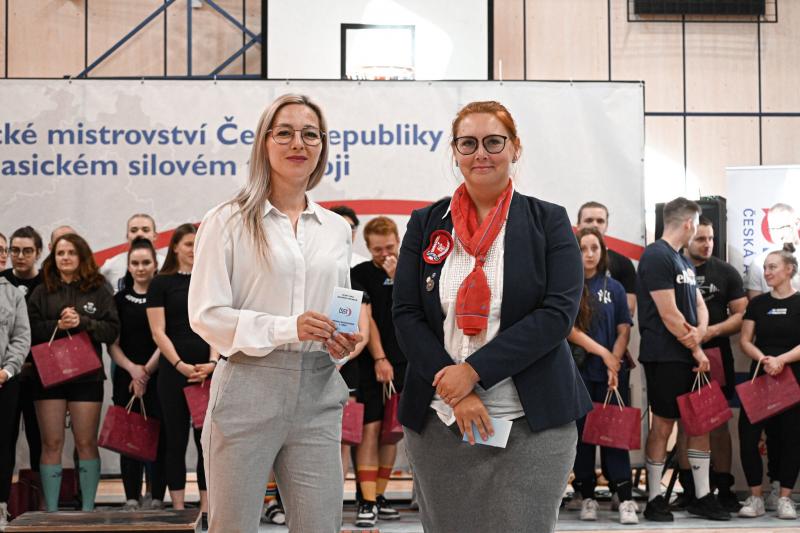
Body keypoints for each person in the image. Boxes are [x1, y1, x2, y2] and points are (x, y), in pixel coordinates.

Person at [392, 100, 591, 532]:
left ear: (515, 148)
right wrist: (456, 388)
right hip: (440, 418)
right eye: (468, 143)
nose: (480, 153)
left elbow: (557, 315)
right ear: (455, 152)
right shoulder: (426, 224)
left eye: (493, 142)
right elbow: (406, 314)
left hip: (531, 422)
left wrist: (473, 373)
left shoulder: (549, 221)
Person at [188, 93, 359, 533]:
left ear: (322, 146)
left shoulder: (337, 229)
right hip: (248, 383)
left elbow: (342, 307)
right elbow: (206, 315)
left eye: (310, 134)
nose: (298, 142)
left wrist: (343, 339)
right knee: (233, 526)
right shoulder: (227, 220)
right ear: (264, 142)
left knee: (321, 526)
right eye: (284, 132)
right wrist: (288, 327)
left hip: (319, 386)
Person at [637, 197, 730, 522]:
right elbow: (669, 314)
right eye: (698, 226)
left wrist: (701, 333)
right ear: (689, 223)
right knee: (663, 424)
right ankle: (654, 498)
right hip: (664, 356)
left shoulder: (683, 261)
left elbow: (699, 305)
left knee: (700, 423)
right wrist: (697, 349)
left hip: (689, 354)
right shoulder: (655, 256)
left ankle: (703, 496)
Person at [27, 233, 119, 512]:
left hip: (87, 378)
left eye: (71, 253)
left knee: (86, 441)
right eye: (60, 253)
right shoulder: (41, 290)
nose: (65, 257)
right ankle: (52, 511)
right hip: (48, 377)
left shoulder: (99, 289)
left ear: (82, 256)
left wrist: (83, 322)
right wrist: (57, 325)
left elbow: (112, 330)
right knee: (51, 442)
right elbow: (29, 331)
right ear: (53, 258)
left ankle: (88, 509)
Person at [673, 217, 746, 512]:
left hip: (716, 354)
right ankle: (690, 490)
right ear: (687, 237)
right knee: (685, 423)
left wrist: (711, 331)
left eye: (711, 239)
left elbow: (741, 315)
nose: (707, 244)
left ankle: (724, 488)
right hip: (679, 356)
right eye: (701, 239)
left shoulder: (726, 272)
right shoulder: (673, 268)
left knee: (717, 424)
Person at [146, 224, 214, 523]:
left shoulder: (210, 280)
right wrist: (178, 364)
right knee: (175, 440)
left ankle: (207, 510)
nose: (193, 249)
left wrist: (213, 363)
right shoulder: (161, 283)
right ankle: (177, 510)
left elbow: (216, 325)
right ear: (174, 247)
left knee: (206, 443)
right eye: (188, 243)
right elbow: (158, 332)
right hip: (174, 372)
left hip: (206, 373)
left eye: (197, 243)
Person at [568, 227, 637, 525]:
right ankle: (587, 496)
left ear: (602, 251)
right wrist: (603, 354)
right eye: (583, 248)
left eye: (594, 248)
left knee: (614, 435)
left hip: (611, 373)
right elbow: (570, 330)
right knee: (583, 436)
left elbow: (624, 329)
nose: (589, 254)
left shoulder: (616, 288)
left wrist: (613, 362)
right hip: (581, 372)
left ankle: (625, 498)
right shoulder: (569, 286)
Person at [737, 245, 800, 520]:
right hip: (761, 376)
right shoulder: (758, 304)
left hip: (793, 377)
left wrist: (781, 360)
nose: (767, 272)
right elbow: (745, 340)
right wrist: (764, 359)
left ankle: (784, 498)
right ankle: (756, 497)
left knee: (791, 438)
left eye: (773, 267)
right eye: (765, 268)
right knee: (748, 437)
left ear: (789, 270)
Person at [352, 216, 405, 527]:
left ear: (398, 241)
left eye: (389, 247)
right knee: (370, 429)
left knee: (392, 430)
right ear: (367, 247)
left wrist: (399, 277)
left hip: (406, 363)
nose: (385, 254)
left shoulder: (411, 270)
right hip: (371, 363)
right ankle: (366, 500)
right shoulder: (359, 274)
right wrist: (380, 358)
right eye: (377, 250)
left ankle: (381, 494)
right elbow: (367, 319)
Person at [108, 237, 167, 511]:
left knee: (159, 436)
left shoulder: (162, 296)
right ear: (129, 266)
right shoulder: (118, 300)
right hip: (126, 376)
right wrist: (133, 370)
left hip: (158, 375)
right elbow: (112, 345)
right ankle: (131, 497)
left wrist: (146, 372)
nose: (141, 268)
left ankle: (156, 496)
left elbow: (165, 339)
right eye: (135, 263)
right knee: (128, 435)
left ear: (155, 265)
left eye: (146, 262)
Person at [2, 227, 45, 485]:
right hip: (7, 374)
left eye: (27, 251)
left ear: (38, 253)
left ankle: (41, 498)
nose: (20, 256)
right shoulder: (3, 281)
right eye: (15, 250)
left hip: (41, 375)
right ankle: (4, 499)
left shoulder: (48, 283)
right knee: (5, 438)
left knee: (39, 438)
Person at [0, 272, 31, 529]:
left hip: (4, 380)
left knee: (3, 444)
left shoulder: (12, 293)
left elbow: (21, 337)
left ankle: (0, 505)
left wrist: (7, 371)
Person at [577, 201, 638, 314]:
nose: (595, 225)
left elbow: (628, 309)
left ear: (606, 225)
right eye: (589, 220)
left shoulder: (624, 263)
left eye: (600, 221)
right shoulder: (563, 260)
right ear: (578, 225)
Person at [744, 203, 800, 299]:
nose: (779, 234)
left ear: (797, 223)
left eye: (783, 227)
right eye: (773, 229)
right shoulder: (758, 263)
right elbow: (755, 304)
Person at [100, 214, 166, 293]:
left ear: (154, 236)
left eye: (145, 230)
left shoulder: (167, 264)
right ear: (127, 236)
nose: (139, 234)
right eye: (134, 230)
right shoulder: (111, 265)